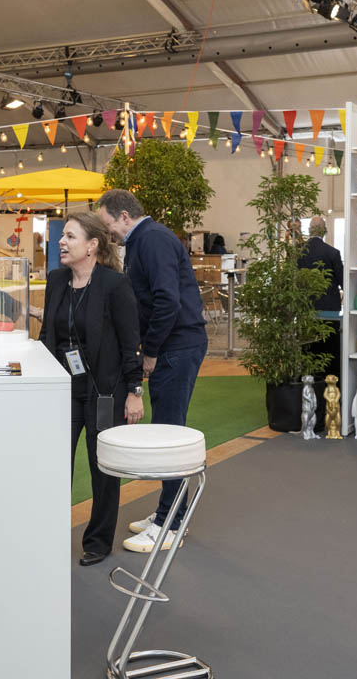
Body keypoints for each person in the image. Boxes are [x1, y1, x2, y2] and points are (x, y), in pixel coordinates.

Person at [98, 189, 207, 554]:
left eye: (108, 224)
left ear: (124, 216)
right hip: (175, 345)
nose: (108, 232)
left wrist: (151, 352)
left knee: (169, 434)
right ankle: (169, 512)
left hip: (177, 346)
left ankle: (170, 523)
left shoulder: (152, 239)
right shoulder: (144, 240)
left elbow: (167, 300)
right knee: (166, 428)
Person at [38, 212, 143, 566]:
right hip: (64, 391)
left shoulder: (114, 285)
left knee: (103, 471)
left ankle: (98, 541)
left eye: (70, 236)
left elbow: (130, 344)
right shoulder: (56, 281)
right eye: (63, 236)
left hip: (105, 393)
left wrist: (135, 392)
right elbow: (47, 337)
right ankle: (49, 537)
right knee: (55, 466)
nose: (61, 242)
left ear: (92, 245)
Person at [298, 216, 344, 377]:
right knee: (330, 348)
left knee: (308, 347)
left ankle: (308, 379)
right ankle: (331, 380)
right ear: (325, 231)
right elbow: (343, 281)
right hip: (329, 310)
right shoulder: (333, 253)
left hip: (305, 309)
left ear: (309, 230)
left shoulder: (297, 253)